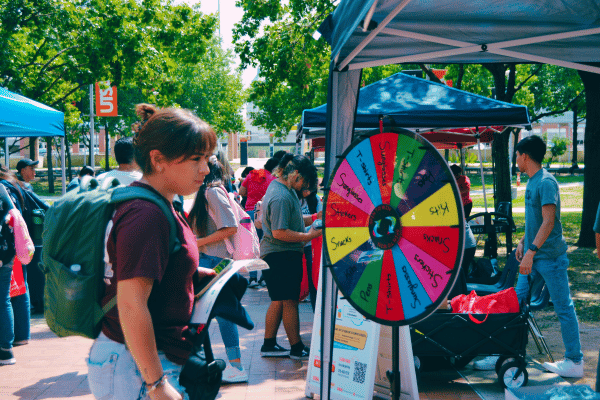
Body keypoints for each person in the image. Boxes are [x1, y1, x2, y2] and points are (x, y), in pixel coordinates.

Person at [86, 104, 218, 399]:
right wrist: (156, 384)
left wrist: (194, 275)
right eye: (196, 159)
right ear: (159, 160)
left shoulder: (162, 205)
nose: (206, 169)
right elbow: (132, 305)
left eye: (207, 158)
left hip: (142, 360)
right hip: (133, 366)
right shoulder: (145, 214)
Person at [474, 135, 583, 378]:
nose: (516, 160)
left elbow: (548, 221)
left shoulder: (546, 182)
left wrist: (530, 252)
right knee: (515, 304)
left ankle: (575, 361)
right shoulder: (533, 181)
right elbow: (536, 223)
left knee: (564, 307)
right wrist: (524, 243)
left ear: (524, 156)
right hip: (533, 257)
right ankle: (504, 352)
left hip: (550, 259)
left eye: (517, 155)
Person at [187, 157, 249, 384]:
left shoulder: (212, 192)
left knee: (223, 313)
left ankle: (236, 366)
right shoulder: (207, 192)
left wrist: (199, 242)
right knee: (210, 314)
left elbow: (230, 227)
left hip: (217, 260)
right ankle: (219, 364)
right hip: (210, 259)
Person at [259, 154, 322, 360]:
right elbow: (280, 231)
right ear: (295, 174)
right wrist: (309, 235)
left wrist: (313, 218)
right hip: (281, 254)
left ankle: (268, 344)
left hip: (278, 254)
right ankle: (296, 348)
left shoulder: (284, 189)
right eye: (304, 181)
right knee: (289, 301)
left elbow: (292, 219)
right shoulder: (282, 196)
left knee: (279, 300)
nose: (305, 187)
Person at [0, 166, 32, 365]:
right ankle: (6, 348)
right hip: (9, 249)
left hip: (7, 249)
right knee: (5, 297)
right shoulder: (8, 187)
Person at [240, 157, 279, 287]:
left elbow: (241, 191)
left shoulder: (251, 175)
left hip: (249, 213)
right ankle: (264, 276)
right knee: (264, 245)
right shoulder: (274, 180)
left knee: (252, 246)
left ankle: (252, 278)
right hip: (265, 215)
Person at [298, 185, 322, 311]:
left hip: (312, 247)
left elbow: (320, 222)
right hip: (294, 245)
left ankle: (316, 314)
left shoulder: (316, 199)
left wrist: (306, 237)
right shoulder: (292, 198)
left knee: (314, 284)